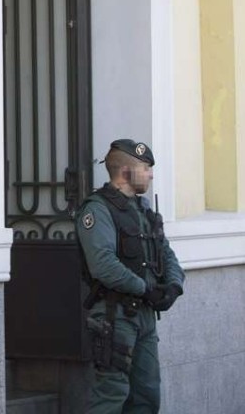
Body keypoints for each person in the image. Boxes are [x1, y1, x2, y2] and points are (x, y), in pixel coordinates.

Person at [75, 138, 185, 414]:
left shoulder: (144, 210)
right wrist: (146, 288)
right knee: (111, 395)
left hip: (145, 317)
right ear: (126, 171)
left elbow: (166, 252)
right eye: (146, 168)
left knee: (146, 395)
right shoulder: (97, 209)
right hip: (115, 316)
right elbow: (103, 264)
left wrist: (173, 286)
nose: (151, 174)